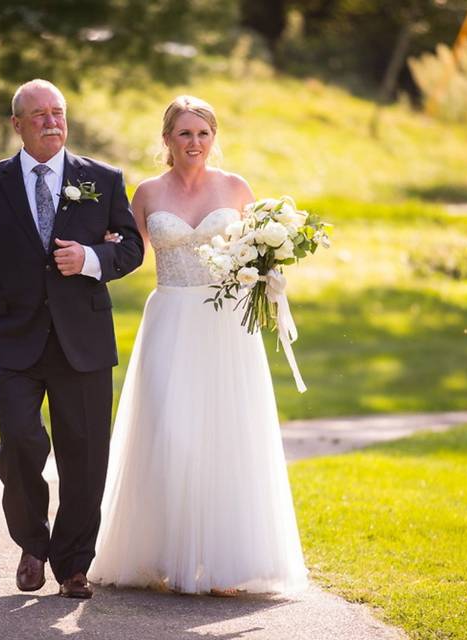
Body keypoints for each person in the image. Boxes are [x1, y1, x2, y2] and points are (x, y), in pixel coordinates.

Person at [90, 96, 308, 595]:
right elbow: (128, 251)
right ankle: (163, 554)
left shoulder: (236, 188)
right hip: (169, 317)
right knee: (170, 432)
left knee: (225, 432)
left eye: (203, 134)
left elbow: (261, 254)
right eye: (184, 134)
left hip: (225, 325)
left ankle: (224, 563)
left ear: (214, 138)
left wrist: (270, 271)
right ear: (166, 139)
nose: (194, 143)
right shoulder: (144, 193)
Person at [0, 79, 144, 599]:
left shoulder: (102, 179)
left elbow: (130, 248)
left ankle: (74, 564)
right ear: (17, 124)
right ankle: (32, 541)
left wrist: (92, 259)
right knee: (20, 441)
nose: (50, 122)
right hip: (10, 340)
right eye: (38, 115)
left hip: (81, 339)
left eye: (57, 112)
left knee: (84, 455)